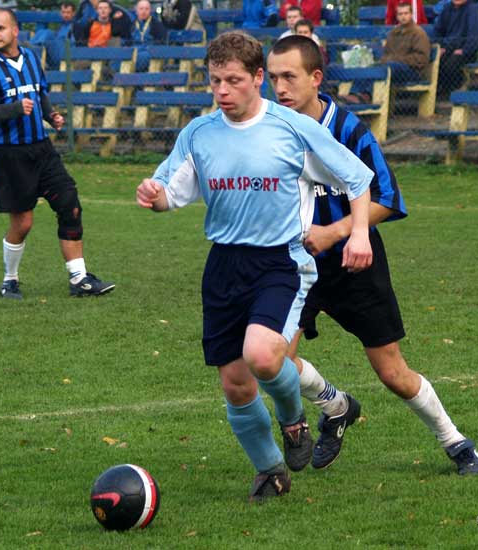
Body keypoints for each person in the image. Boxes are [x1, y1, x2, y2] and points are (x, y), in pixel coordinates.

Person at [135, 31, 374, 501]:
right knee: (236, 384)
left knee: (263, 356)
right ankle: (270, 471)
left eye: (233, 81)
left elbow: (357, 179)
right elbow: (170, 192)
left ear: (258, 77)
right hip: (224, 263)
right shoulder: (199, 134)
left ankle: (293, 419)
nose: (222, 91)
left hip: (279, 261)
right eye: (215, 81)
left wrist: (360, 232)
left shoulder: (292, 127)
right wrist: (153, 194)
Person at [266, 35, 478, 474]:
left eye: (289, 76)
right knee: (274, 362)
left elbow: (386, 198)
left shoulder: (348, 130)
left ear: (316, 77)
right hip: (296, 265)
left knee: (392, 372)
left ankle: (456, 442)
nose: (280, 87)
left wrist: (339, 232)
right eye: (273, 78)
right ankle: (336, 406)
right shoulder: (269, 130)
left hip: (355, 263)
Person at [0, 8, 115, 300]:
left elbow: (39, 93)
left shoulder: (31, 58)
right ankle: (10, 281)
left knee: (70, 204)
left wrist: (50, 115)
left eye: (0, 28)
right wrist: (13, 109)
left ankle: (79, 279)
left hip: (42, 148)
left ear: (15, 30)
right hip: (9, 154)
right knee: (23, 223)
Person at [433, 0, 478, 97]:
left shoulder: (472, 9)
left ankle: (454, 89)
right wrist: (440, 46)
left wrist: (464, 50)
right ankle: (440, 91)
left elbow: (474, 35)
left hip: (466, 50)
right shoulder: (447, 9)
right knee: (436, 61)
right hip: (448, 47)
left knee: (450, 64)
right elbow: (438, 31)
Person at [380, 2, 431, 85]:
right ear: (397, 16)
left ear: (411, 14)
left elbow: (422, 58)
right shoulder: (393, 33)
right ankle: (362, 91)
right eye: (400, 14)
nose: (403, 16)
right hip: (394, 68)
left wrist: (397, 59)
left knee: (390, 67)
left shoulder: (418, 33)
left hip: (413, 72)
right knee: (374, 68)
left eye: (406, 13)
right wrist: (386, 60)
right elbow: (386, 54)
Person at [30, 1, 76, 70]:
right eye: (63, 12)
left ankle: (31, 47)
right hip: (55, 54)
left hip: (65, 56)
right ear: (60, 13)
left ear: (74, 13)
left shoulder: (76, 26)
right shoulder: (62, 26)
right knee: (41, 32)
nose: (65, 15)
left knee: (47, 33)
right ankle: (31, 47)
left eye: (68, 12)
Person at [130, 0, 168, 71]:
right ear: (136, 11)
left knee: (141, 57)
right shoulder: (131, 25)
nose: (144, 11)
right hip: (134, 50)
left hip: (150, 51)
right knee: (120, 56)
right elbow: (126, 41)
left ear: (150, 10)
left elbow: (161, 42)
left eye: (146, 9)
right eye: (141, 9)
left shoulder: (157, 25)